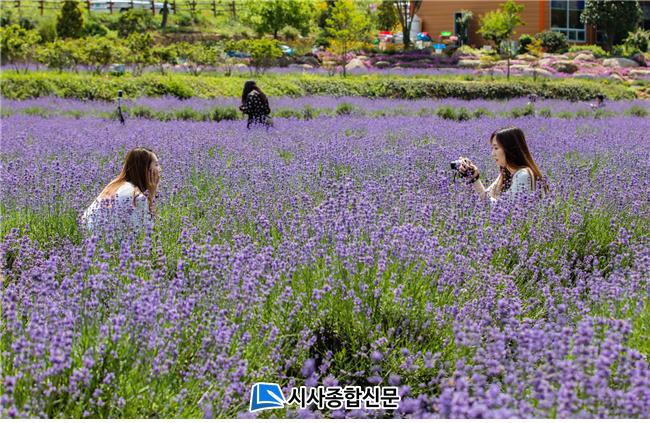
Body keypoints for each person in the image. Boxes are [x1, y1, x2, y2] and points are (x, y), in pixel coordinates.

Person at [455, 126, 547, 203]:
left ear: (509, 149)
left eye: (496, 148)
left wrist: (476, 180)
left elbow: (503, 209)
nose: (493, 154)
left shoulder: (523, 175)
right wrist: (472, 176)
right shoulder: (505, 173)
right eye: (492, 148)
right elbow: (485, 198)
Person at [82, 147, 160, 235]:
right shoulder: (137, 197)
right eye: (156, 165)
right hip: (106, 239)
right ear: (145, 170)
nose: (160, 169)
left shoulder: (115, 184)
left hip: (87, 237)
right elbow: (145, 234)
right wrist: (151, 195)